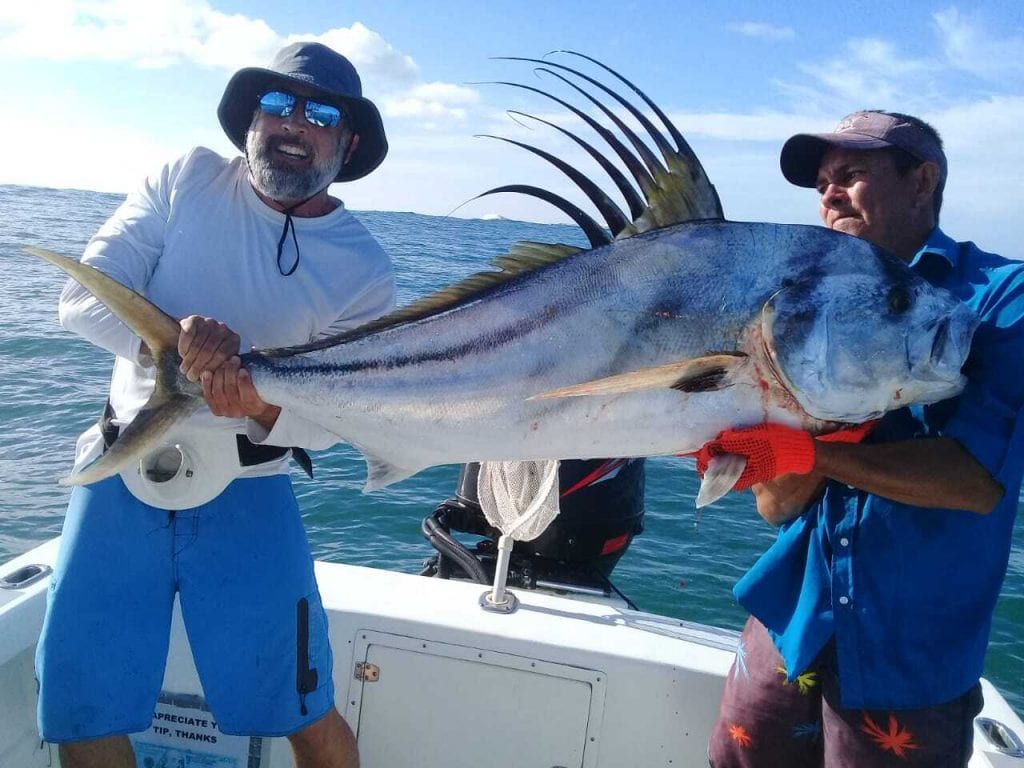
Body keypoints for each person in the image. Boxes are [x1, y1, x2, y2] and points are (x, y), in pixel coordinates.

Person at [36, 42, 396, 768]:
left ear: (348, 141)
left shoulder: (365, 269)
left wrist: (256, 405)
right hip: (120, 476)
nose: (295, 122)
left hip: (250, 491)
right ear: (251, 119)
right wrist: (179, 350)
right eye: (278, 103)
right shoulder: (186, 179)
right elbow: (82, 296)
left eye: (321, 112)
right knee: (82, 711)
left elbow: (331, 426)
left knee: (303, 707)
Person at [702, 111, 1024, 767]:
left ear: (921, 181)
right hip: (789, 624)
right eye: (821, 182)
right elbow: (778, 505)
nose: (829, 194)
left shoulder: (999, 299)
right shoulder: (796, 307)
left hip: (910, 654)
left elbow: (974, 483)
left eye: (850, 174)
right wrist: (777, 445)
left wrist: (815, 450)